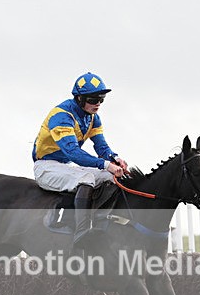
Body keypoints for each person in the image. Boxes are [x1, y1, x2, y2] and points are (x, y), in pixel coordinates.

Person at [32, 72, 129, 248]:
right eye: (93, 99)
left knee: (111, 177)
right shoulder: (61, 116)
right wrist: (106, 165)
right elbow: (73, 153)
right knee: (87, 178)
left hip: (65, 167)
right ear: (79, 98)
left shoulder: (93, 118)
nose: (98, 103)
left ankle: (103, 224)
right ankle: (81, 233)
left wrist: (115, 159)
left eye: (101, 99)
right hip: (45, 166)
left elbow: (101, 148)